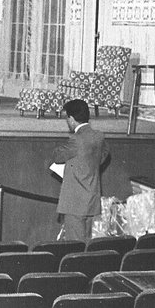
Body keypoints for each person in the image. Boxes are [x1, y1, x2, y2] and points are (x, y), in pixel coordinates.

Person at [51, 99, 111, 241]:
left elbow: (57, 156)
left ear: (71, 119)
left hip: (75, 203)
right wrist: (88, 166)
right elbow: (105, 152)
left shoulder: (76, 140)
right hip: (91, 199)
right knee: (86, 244)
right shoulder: (98, 136)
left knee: (75, 247)